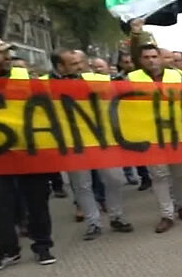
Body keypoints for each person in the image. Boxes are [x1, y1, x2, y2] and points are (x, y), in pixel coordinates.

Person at [0, 34, 56, 271]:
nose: (7, 56)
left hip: (29, 149)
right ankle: (7, 251)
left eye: (7, 51)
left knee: (37, 200)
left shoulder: (24, 76)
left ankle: (42, 245)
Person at [50, 49, 135, 240]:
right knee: (82, 184)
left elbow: (118, 97)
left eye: (81, 62)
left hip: (101, 138)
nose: (80, 66)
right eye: (74, 64)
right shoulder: (46, 84)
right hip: (73, 142)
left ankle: (116, 216)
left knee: (115, 178)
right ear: (59, 67)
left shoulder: (97, 79)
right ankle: (93, 223)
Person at [128, 44, 182, 233]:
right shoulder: (131, 78)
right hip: (150, 135)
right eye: (146, 57)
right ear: (140, 60)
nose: (151, 60)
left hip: (176, 133)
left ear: (160, 58)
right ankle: (167, 214)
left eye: (154, 56)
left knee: (180, 173)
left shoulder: (178, 76)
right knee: (159, 175)